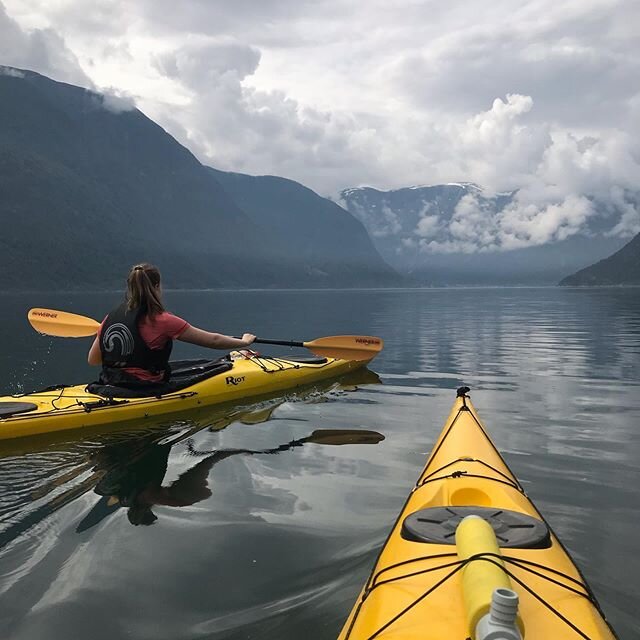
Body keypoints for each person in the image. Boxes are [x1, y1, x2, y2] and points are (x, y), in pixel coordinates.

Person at [87, 263, 255, 386]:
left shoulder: (109, 319)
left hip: (110, 382)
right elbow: (214, 340)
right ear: (157, 286)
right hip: (144, 387)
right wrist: (244, 342)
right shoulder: (163, 320)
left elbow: (93, 360)